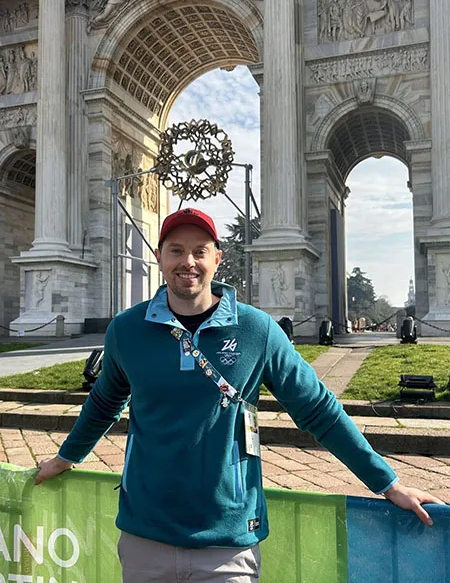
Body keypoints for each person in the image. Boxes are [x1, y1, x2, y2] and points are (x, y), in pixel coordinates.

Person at [36, 208, 443, 582]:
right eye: (176, 250)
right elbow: (106, 402)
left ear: (218, 257)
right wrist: (66, 456)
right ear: (159, 257)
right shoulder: (126, 330)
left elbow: (317, 410)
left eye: (200, 251)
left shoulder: (257, 330)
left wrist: (387, 483)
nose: (188, 262)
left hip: (228, 540)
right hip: (146, 534)